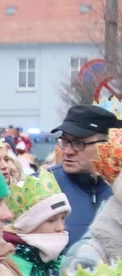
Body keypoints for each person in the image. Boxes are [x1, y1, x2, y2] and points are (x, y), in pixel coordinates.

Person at [49, 105, 121, 248]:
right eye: (64, 141)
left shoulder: (118, 191)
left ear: (105, 146)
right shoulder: (44, 186)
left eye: (78, 143)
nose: (68, 151)